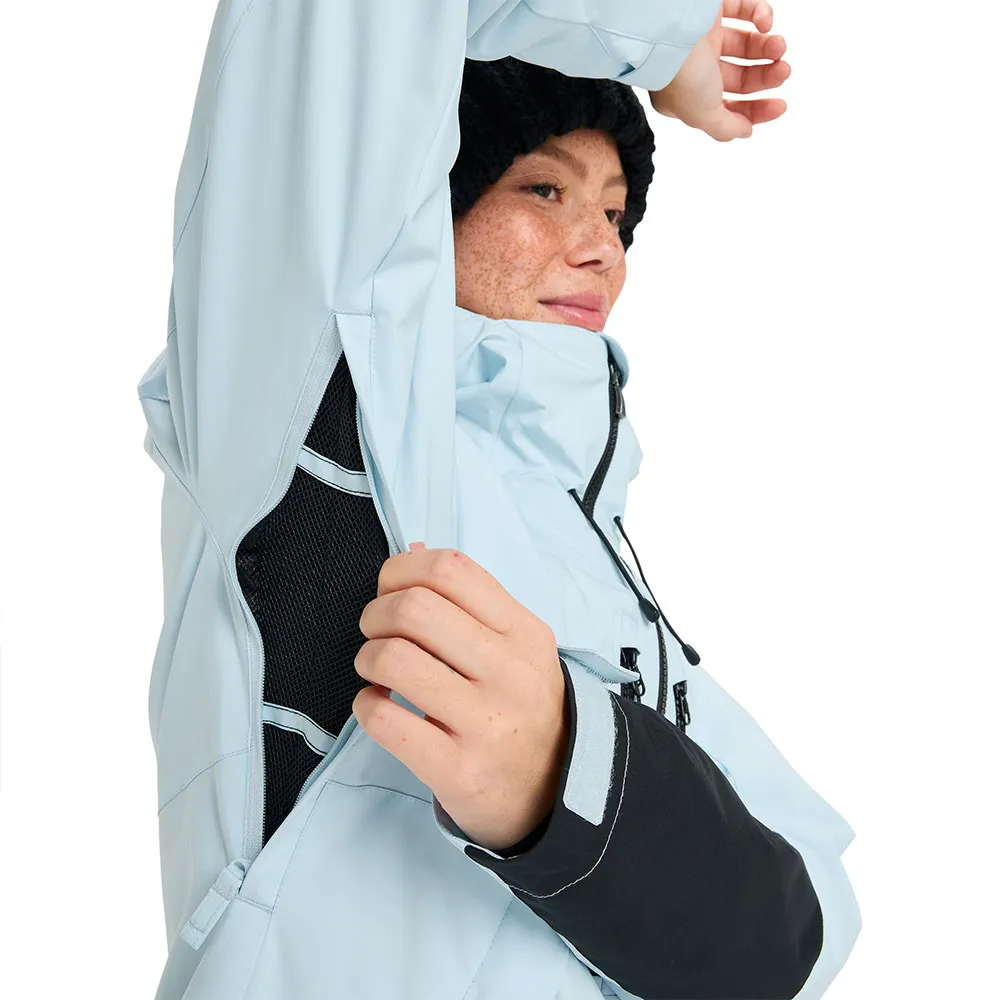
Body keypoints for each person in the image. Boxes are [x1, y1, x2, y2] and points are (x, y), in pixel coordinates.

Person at [136, 2, 859, 998]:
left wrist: (564, 773)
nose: (601, 248)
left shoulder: (597, 550)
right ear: (424, 201)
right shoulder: (312, 411)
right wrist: (659, 35)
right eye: (543, 188)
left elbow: (801, 932)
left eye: (614, 212)